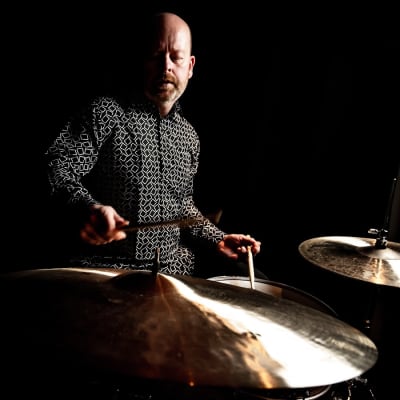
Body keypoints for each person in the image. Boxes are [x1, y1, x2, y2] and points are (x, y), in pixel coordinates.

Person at [44, 11, 265, 278]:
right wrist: (87, 207)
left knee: (255, 282)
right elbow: (57, 166)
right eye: (155, 56)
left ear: (190, 66)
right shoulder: (105, 112)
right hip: (105, 267)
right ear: (141, 61)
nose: (165, 67)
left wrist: (217, 238)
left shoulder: (188, 136)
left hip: (173, 269)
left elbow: (181, 204)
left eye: (176, 57)